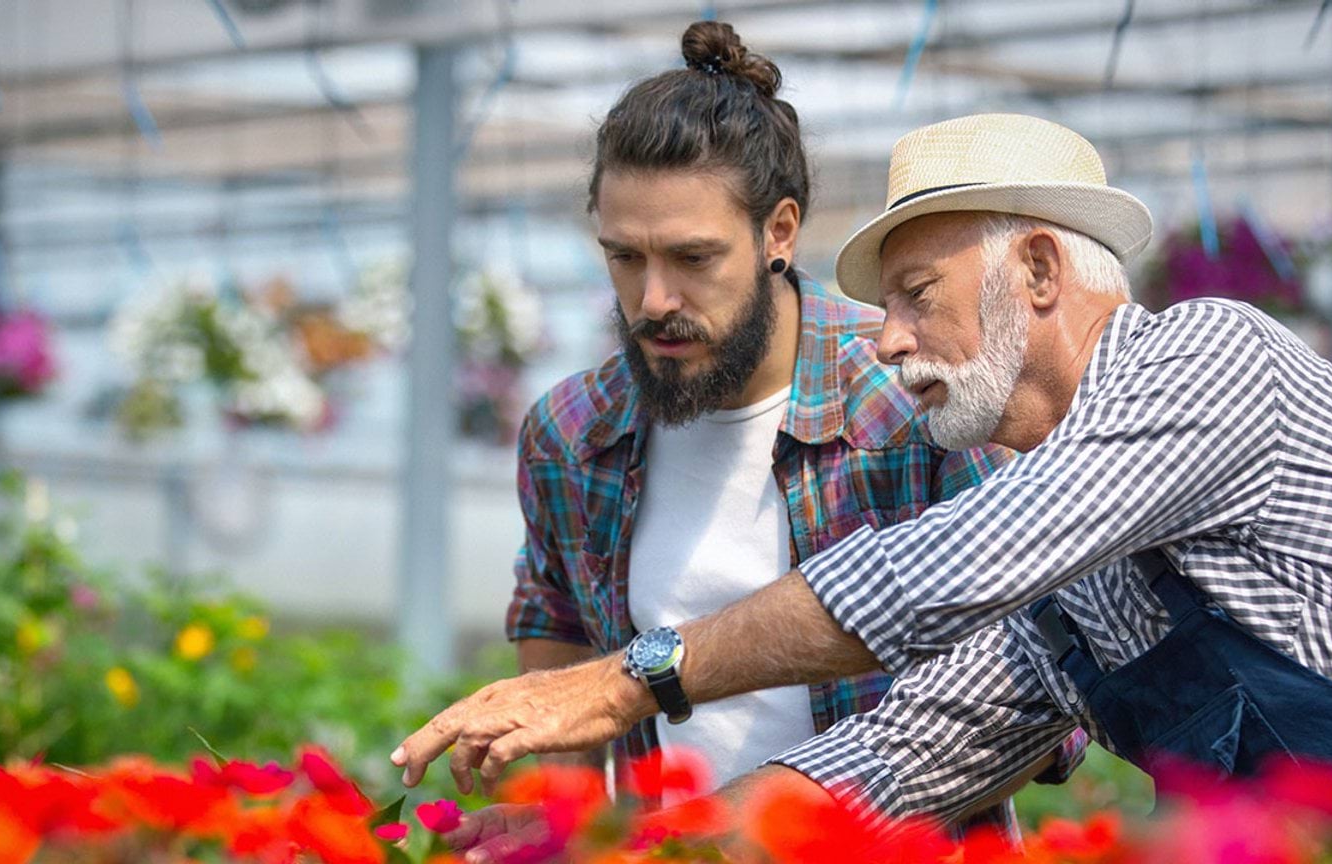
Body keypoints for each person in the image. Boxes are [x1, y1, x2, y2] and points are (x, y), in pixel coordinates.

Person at [394, 111, 1332, 821]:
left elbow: (954, 561)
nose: (888, 336)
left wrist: (639, 678)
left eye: (917, 294)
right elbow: (902, 751)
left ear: (1039, 270)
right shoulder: (1073, 595)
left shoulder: (1209, 358)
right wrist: (650, 852)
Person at [430, 30, 1084, 862]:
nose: (653, 298)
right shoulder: (573, 435)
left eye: (693, 257)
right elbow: (560, 638)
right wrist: (548, 813)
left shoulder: (915, 407)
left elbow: (1035, 709)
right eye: (623, 257)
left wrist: (744, 831)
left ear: (780, 231)